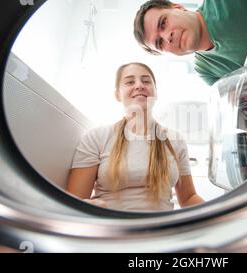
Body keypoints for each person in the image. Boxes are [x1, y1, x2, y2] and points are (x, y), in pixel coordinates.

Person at [66, 62, 204, 211]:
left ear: (155, 92)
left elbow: (189, 198)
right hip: (112, 228)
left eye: (146, 81)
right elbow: (74, 202)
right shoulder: (96, 137)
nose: (139, 85)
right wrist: (90, 208)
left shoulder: (175, 140)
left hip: (161, 230)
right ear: (117, 94)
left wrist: (220, 214)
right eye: (130, 82)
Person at [133, 0, 247, 86]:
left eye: (163, 23)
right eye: (159, 43)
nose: (167, 37)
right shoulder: (205, 70)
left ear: (177, 7)